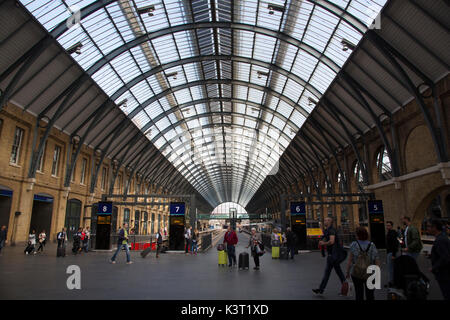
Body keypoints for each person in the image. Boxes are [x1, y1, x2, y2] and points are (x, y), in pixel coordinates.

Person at [312, 217, 346, 295]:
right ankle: (321, 289)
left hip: (334, 256)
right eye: (325, 220)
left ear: (330, 222)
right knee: (334, 273)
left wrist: (323, 243)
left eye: (327, 220)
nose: (325, 221)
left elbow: (332, 241)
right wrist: (322, 241)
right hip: (332, 255)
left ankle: (321, 289)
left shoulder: (331, 230)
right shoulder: (327, 230)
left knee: (334, 273)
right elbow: (325, 238)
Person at [345, 226, 380, 301]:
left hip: (357, 272)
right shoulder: (372, 245)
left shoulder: (354, 245)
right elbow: (376, 259)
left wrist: (347, 272)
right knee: (370, 295)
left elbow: (350, 260)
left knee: (359, 294)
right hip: (370, 272)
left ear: (357, 235)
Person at [427, 219, 450, 300]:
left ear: (435, 228)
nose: (427, 228)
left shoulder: (440, 240)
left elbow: (445, 257)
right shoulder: (441, 238)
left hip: (445, 274)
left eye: (429, 226)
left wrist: (434, 267)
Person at [386, 221, 399, 286]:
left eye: (389, 225)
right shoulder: (390, 233)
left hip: (391, 252)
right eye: (387, 225)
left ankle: (391, 282)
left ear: (391, 226)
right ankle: (393, 281)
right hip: (390, 252)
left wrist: (393, 254)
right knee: (391, 267)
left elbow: (394, 244)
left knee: (390, 268)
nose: (387, 227)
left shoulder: (392, 233)